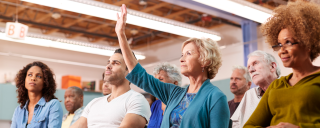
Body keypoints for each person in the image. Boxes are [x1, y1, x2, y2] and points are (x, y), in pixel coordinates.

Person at [116, 4, 230, 128]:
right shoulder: (174, 93)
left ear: (205, 61)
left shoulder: (215, 97)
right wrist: (121, 34)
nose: (181, 59)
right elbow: (140, 76)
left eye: (188, 54)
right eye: (182, 54)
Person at [244, 1, 320, 127]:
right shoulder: (276, 86)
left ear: (308, 43)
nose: (282, 51)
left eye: (288, 42)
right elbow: (249, 126)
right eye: (279, 45)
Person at [70, 49, 151, 128]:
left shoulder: (136, 100)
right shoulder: (94, 103)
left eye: (116, 63)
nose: (108, 66)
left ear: (129, 71)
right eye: (108, 63)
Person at [231, 50, 280, 128]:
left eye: (255, 63)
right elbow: (234, 124)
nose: (251, 70)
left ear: (272, 66)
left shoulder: (288, 88)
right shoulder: (249, 94)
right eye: (249, 67)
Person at [10, 61, 63, 128]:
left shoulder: (53, 105)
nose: (33, 78)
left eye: (39, 76)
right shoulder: (18, 110)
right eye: (30, 75)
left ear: (45, 82)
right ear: (24, 80)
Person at [148, 62, 182, 128]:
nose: (156, 83)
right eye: (155, 80)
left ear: (175, 83)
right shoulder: (155, 105)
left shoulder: (182, 105)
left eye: (161, 79)